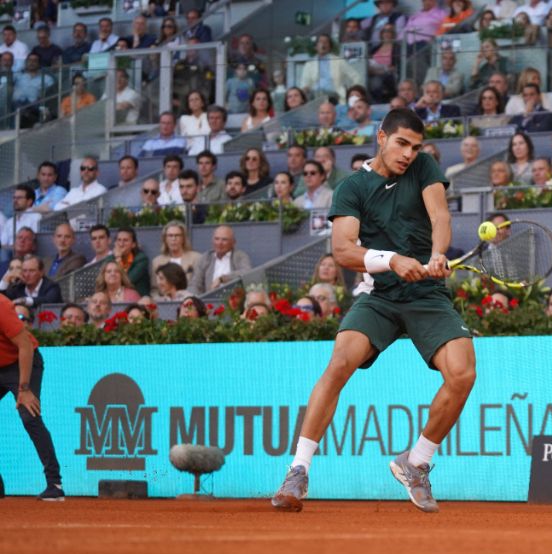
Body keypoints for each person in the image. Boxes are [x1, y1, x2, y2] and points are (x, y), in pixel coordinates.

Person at [270, 108, 476, 514]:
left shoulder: (424, 168)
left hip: (427, 294)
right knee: (340, 363)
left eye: (415, 147)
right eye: (401, 143)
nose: (408, 154)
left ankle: (416, 462)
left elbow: (440, 215)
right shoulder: (352, 187)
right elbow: (344, 250)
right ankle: (298, 470)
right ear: (381, 137)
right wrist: (394, 260)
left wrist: (437, 254)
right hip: (378, 293)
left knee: (464, 372)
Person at [0, 289, 63, 500]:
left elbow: (25, 344)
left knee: (29, 416)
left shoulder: (1, 305)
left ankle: (55, 484)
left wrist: (24, 389)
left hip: (23, 362)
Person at [189, 226, 252, 295]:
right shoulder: (206, 258)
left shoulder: (240, 256)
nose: (219, 243)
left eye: (224, 240)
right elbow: (194, 284)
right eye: (216, 239)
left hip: (233, 301)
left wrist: (222, 279)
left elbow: (247, 272)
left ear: (233, 242)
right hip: (209, 301)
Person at [300, 34, 361, 100]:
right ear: (316, 47)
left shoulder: (339, 61)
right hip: (315, 96)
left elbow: (356, 76)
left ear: (330, 47)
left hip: (334, 95)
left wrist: (352, 92)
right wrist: (305, 89)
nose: (323, 44)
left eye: (326, 42)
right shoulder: (309, 64)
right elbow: (304, 84)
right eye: (320, 42)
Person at [150, 221, 201, 290]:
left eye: (177, 235)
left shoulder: (196, 258)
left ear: (183, 238)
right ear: (165, 239)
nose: (173, 239)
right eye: (170, 235)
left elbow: (199, 286)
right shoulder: (157, 262)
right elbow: (154, 289)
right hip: (164, 299)